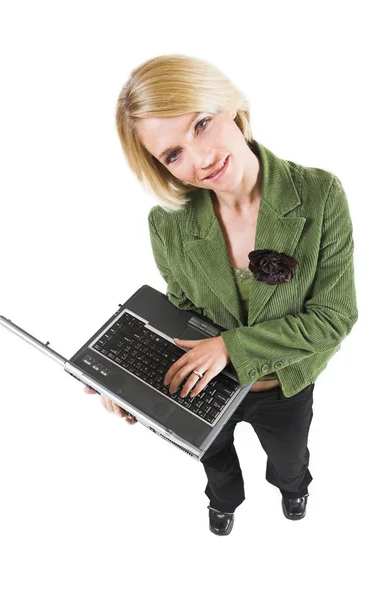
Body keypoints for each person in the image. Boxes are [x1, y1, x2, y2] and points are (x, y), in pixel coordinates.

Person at [85, 54, 358, 535]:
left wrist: (232, 347)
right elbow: (183, 312)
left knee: (290, 456)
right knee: (213, 459)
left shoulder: (319, 194)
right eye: (173, 155)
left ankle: (294, 489)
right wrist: (132, 383)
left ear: (228, 105)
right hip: (208, 388)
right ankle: (224, 501)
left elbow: (334, 317)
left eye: (202, 125)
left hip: (285, 387)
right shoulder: (166, 223)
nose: (201, 158)